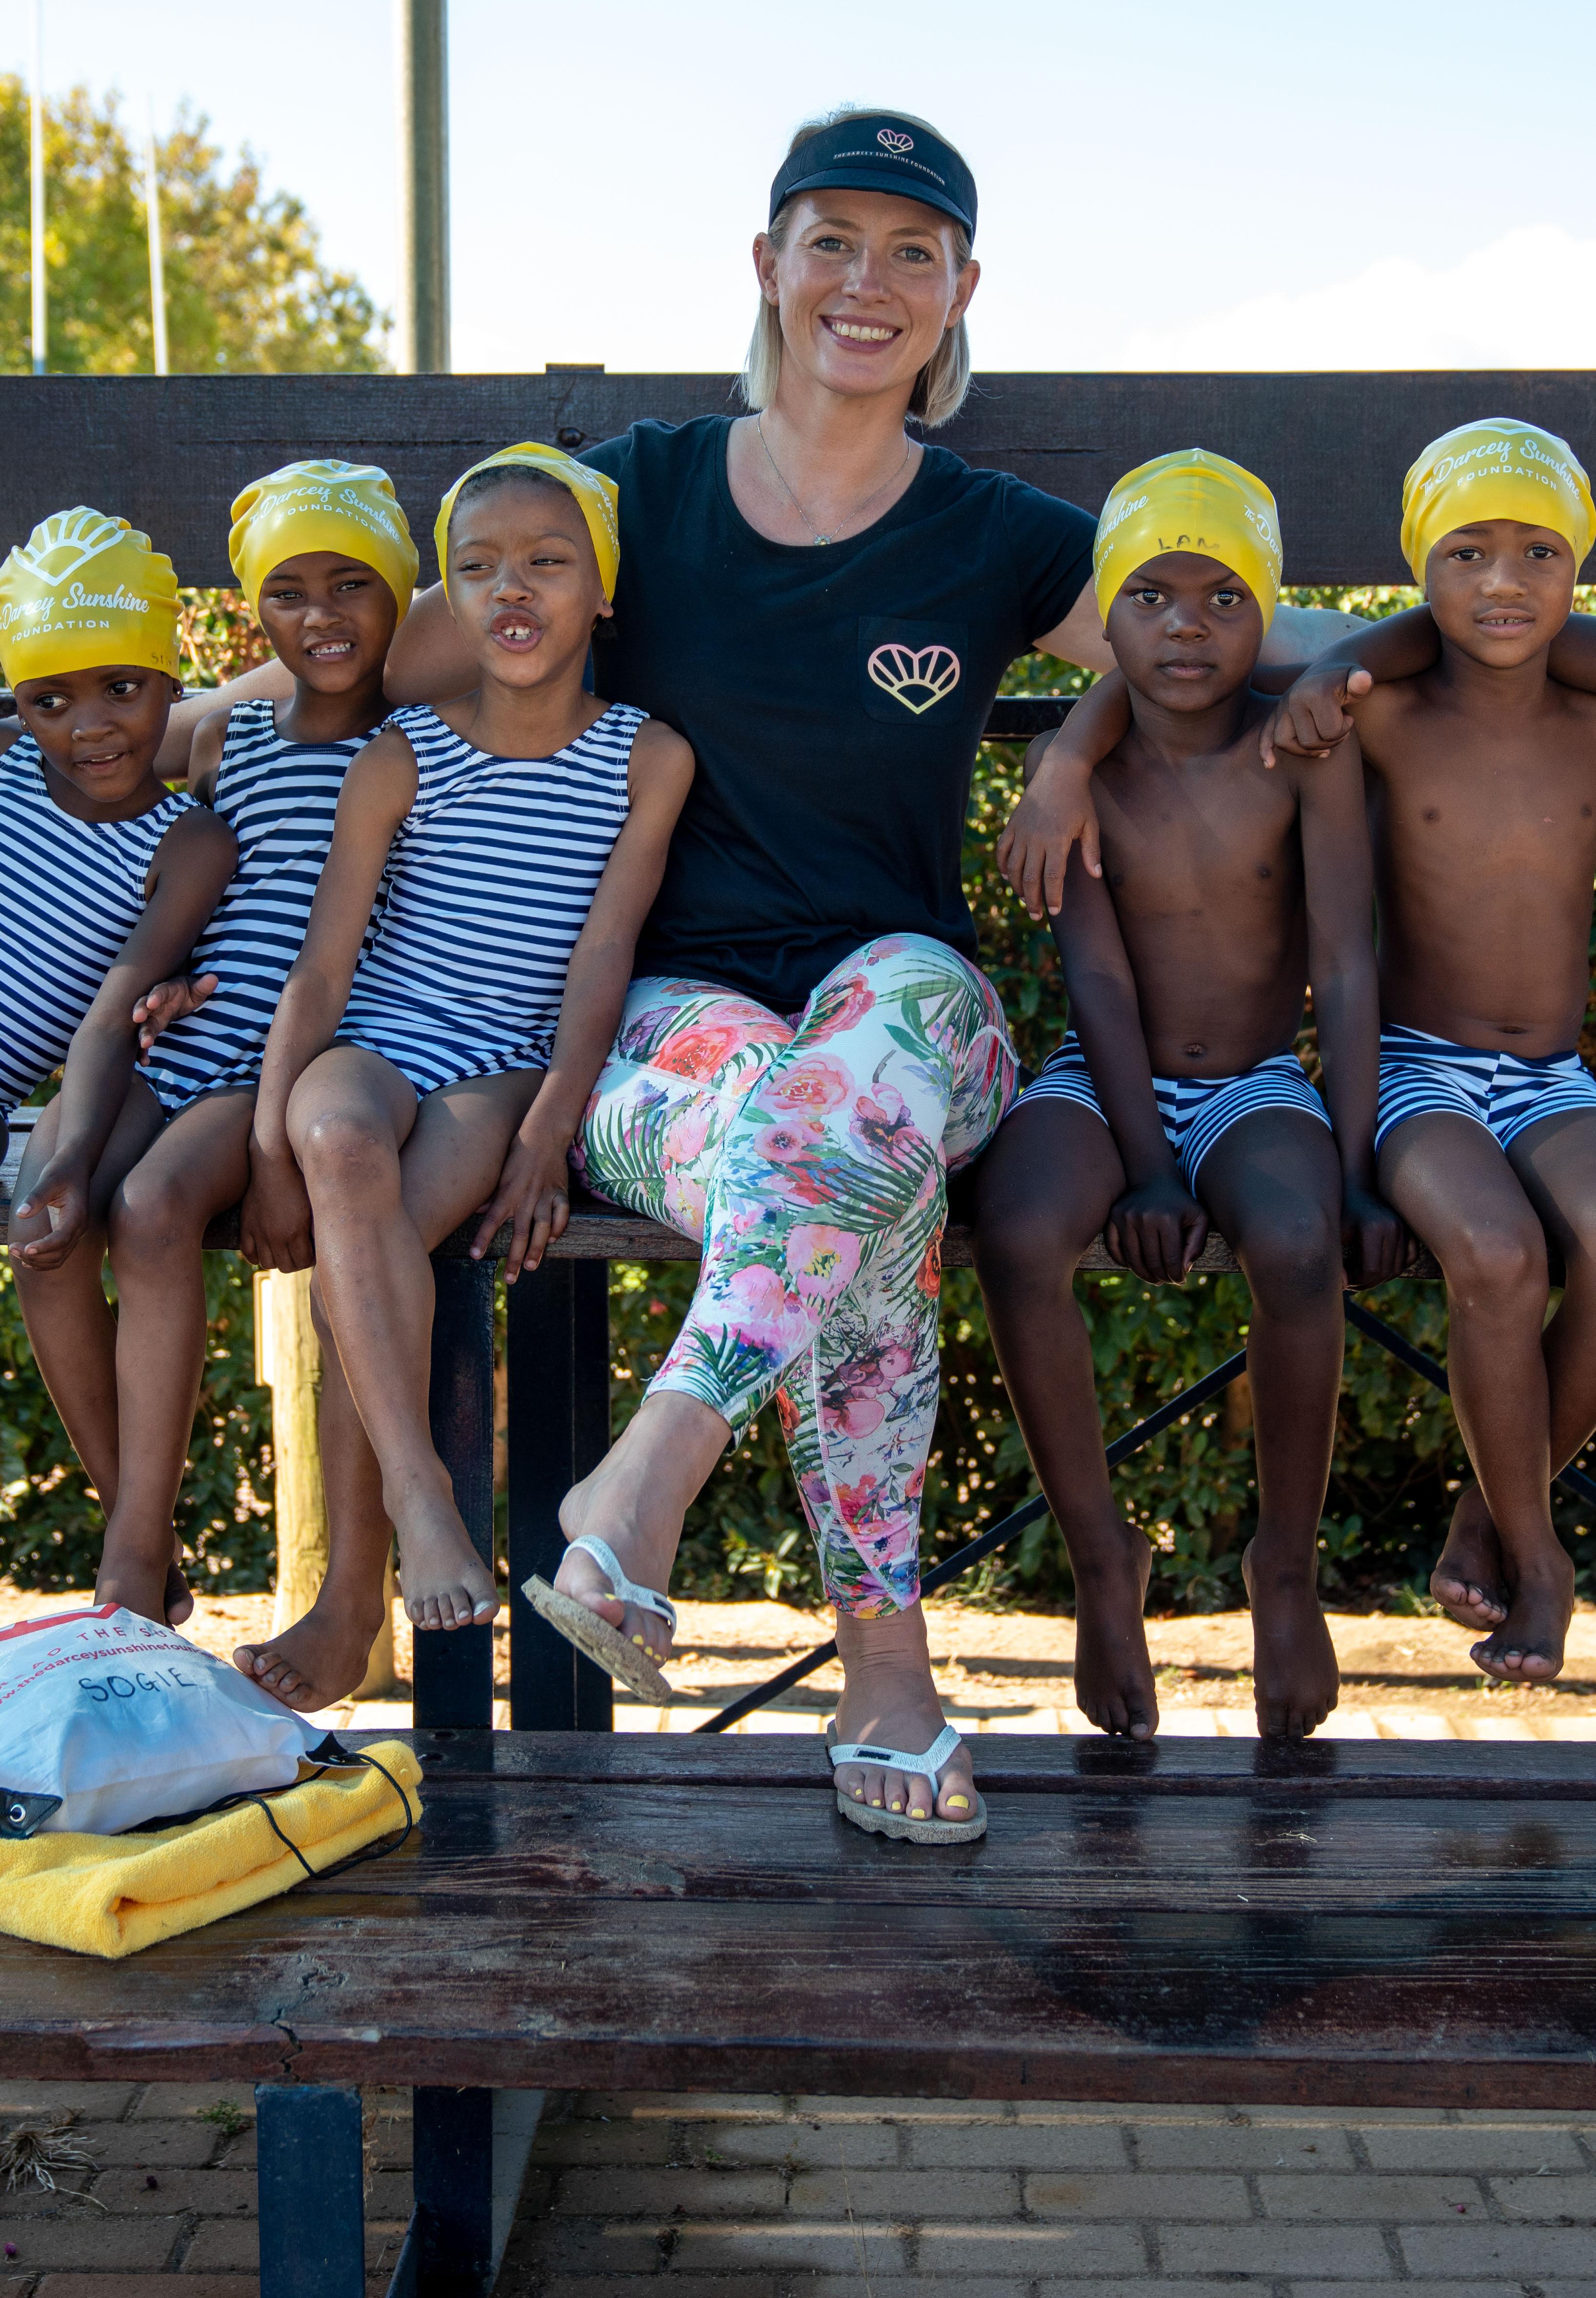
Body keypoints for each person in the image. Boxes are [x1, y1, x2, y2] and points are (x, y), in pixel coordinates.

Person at [376, 108, 1353, 1837]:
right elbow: (409, 648)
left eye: (913, 251)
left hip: (913, 998)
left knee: (872, 1064)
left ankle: (650, 1473)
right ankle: (884, 1669)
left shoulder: (989, 533)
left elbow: (1225, 634)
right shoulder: (640, 494)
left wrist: (1079, 743)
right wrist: (196, 721)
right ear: (766, 265)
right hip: (663, 1034)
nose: (867, 282)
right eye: (831, 240)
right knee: (841, 1161)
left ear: (964, 289)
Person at [975, 451, 1405, 1742]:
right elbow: (1095, 979)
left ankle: (1285, 1562)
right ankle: (1102, 1560)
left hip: (1258, 1081)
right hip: (1102, 1079)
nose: (1187, 625)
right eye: (1152, 595)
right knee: (1016, 1229)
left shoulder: (1303, 746)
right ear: (1104, 616)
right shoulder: (1086, 770)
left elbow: (1343, 956)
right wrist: (1149, 1165)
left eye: (1225, 597)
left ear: (1266, 611)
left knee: (1296, 1238)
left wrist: (1363, 1160)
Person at [250, 444, 694, 1638]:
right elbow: (327, 964)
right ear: (446, 595)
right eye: (476, 567)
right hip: (385, 1034)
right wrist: (264, 1140)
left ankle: (365, 1578)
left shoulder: (645, 757)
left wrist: (553, 1122)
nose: (512, 589)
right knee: (338, 1138)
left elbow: (603, 957)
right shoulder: (404, 752)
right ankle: (419, 1488)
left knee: (377, 1249)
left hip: (504, 1065)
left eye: (547, 564)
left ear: (602, 589)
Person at [42, 462, 416, 1654]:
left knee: (151, 1207)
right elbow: (190, 862)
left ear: (400, 596)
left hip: (292, 1056)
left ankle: (134, 1554)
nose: (322, 617)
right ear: (254, 612)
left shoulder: (417, 747)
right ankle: (135, 1539)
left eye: (354, 585)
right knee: (51, 1215)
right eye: (288, 593)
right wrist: (171, 983)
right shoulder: (231, 742)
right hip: (196, 1027)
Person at [1253, 419, 1596, 1682]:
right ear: (1420, 568)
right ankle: (1544, 1559)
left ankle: (1489, 1511)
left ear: (1578, 572)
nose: (1503, 583)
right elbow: (1339, 957)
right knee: (1500, 1256)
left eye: (1539, 554)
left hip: (1556, 1079)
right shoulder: (1378, 717)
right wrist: (1351, 1161)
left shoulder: (1586, 713)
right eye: (1467, 552)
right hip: (1419, 1074)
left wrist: (1350, 645)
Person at [1, 510, 236, 1621]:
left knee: (47, 1237)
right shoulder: (4, 781)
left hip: (52, 1091)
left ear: (167, 675)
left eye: (121, 690)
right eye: (50, 701)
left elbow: (106, 1016)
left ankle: (131, 1556)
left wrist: (70, 1156)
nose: (90, 728)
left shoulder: (186, 838)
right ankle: (138, 1545)